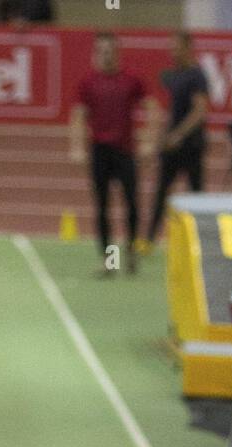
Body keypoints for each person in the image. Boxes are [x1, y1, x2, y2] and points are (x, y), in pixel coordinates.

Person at [70, 33, 156, 275]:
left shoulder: (131, 80)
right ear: (96, 53)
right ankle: (108, 259)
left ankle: (129, 251)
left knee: (132, 204)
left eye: (109, 50)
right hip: (99, 151)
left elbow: (152, 109)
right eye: (101, 50)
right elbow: (78, 115)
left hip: (125, 151)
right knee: (102, 206)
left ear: (117, 52)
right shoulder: (88, 82)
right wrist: (76, 146)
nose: (106, 55)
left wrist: (149, 141)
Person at [143, 32, 210, 248]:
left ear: (188, 48)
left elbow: (200, 111)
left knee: (196, 194)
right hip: (171, 145)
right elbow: (171, 111)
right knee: (161, 191)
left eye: (176, 48)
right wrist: (164, 135)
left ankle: (201, 240)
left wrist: (179, 134)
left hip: (191, 145)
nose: (172, 52)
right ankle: (149, 239)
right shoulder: (174, 76)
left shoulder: (197, 76)